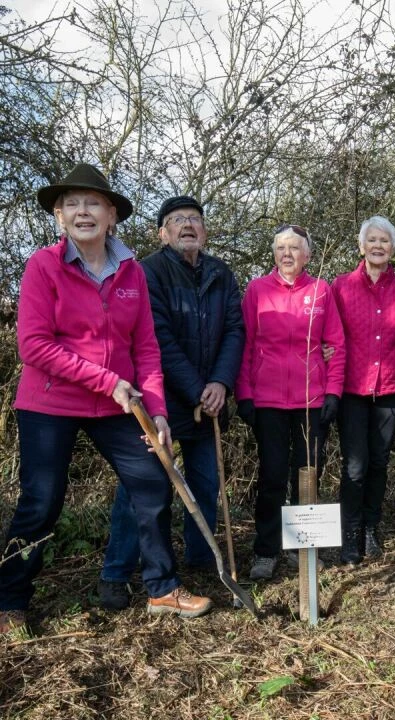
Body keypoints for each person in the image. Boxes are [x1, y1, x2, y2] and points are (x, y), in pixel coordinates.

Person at [0, 164, 211, 634]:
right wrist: (104, 379)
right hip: (50, 403)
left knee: (152, 483)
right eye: (71, 204)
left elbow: (146, 348)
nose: (82, 212)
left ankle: (162, 588)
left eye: (92, 203)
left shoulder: (132, 272)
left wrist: (156, 410)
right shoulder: (43, 266)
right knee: (41, 502)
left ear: (111, 214)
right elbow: (33, 345)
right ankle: (9, 599)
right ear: (58, 217)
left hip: (118, 403)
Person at [98, 195, 245, 609]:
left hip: (209, 402)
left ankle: (201, 562)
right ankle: (117, 570)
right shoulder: (147, 272)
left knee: (205, 482)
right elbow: (156, 337)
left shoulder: (221, 273)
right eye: (177, 220)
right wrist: (198, 387)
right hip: (161, 400)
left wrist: (220, 383)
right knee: (142, 489)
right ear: (161, 232)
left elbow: (236, 330)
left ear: (205, 230)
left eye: (194, 219)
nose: (187, 225)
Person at [235, 224, 345, 580]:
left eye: (295, 248)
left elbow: (336, 346)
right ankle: (266, 550)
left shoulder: (321, 290)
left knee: (308, 475)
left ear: (307, 255)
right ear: (274, 253)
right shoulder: (256, 290)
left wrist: (333, 393)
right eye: (281, 247)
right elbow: (245, 345)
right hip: (267, 402)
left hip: (311, 401)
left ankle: (304, 548)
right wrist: (245, 394)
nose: (287, 253)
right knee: (271, 476)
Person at [332, 216, 395, 565]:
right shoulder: (341, 287)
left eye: (385, 241)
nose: (378, 246)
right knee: (355, 466)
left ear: (393, 248)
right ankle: (349, 536)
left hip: (391, 386)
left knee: (379, 462)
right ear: (361, 246)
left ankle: (370, 530)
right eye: (372, 240)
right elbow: (328, 335)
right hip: (351, 389)